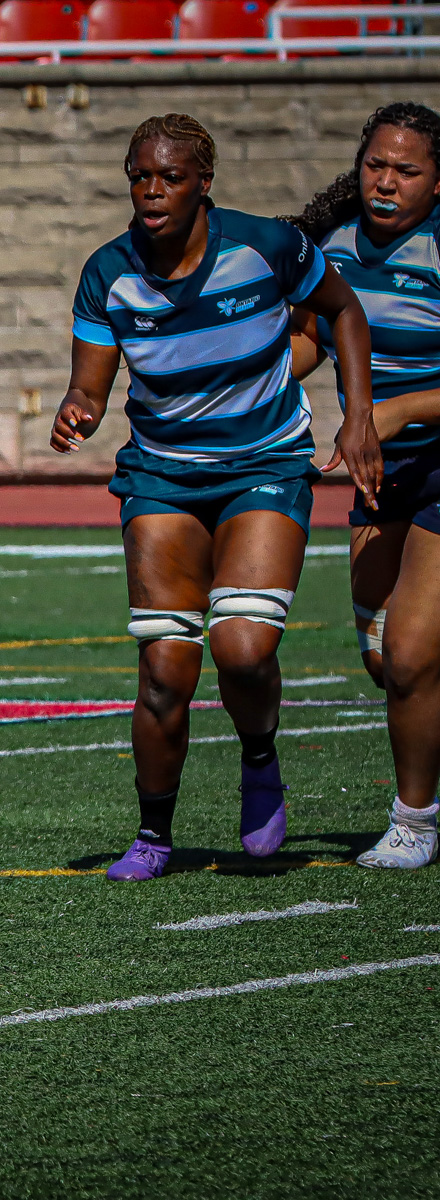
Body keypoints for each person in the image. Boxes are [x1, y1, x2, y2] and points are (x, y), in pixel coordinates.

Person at [52, 113, 378, 883]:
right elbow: (89, 387)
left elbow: (343, 311)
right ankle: (154, 832)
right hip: (161, 475)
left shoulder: (264, 246)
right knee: (166, 671)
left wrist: (358, 416)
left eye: (169, 176)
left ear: (204, 182)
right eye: (140, 175)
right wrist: (78, 411)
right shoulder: (108, 271)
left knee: (242, 648)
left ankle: (260, 757)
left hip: (265, 462)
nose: (152, 189)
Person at [286, 101, 440, 871]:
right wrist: (250, 384)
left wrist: (393, 410)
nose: (385, 182)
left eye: (406, 170)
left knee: (412, 656)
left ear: (437, 183)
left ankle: (413, 823)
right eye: (375, 165)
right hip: (380, 471)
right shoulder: (334, 244)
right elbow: (314, 336)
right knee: (384, 659)